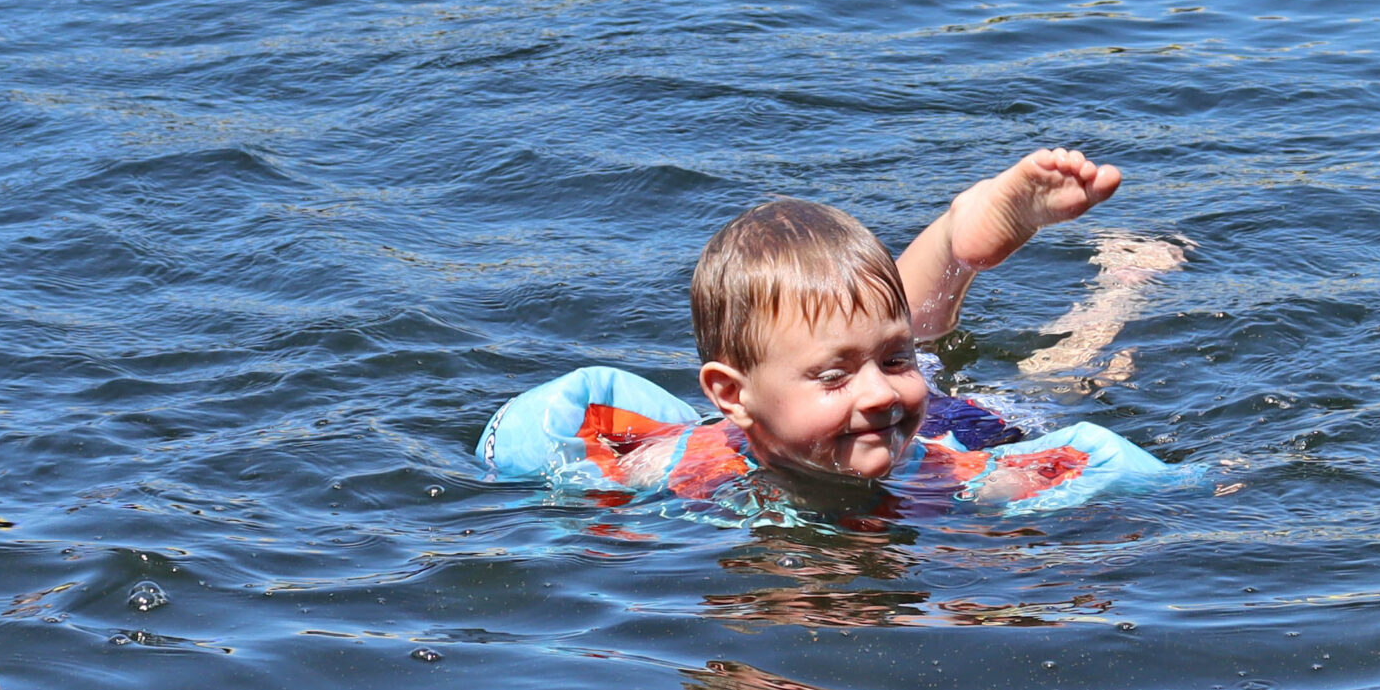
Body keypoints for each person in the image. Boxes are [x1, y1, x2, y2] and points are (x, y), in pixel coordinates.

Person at [480, 150, 1185, 517]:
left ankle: (1120, 283)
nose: (879, 392)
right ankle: (951, 248)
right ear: (730, 394)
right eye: (833, 374)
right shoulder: (670, 463)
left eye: (887, 363)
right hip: (873, 413)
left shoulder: (962, 475)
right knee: (901, 345)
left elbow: (1101, 468)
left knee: (1067, 371)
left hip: (962, 426)